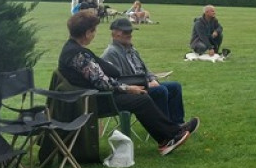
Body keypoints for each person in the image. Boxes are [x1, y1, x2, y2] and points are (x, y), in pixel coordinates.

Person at [59, 11, 193, 156]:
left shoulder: (74, 50)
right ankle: (168, 138)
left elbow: (102, 76)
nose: (95, 34)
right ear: (86, 33)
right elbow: (102, 82)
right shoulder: (78, 54)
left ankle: (173, 132)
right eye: (94, 30)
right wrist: (129, 89)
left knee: (143, 97)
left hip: (92, 96)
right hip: (92, 100)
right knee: (141, 99)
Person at [102, 18, 198, 132]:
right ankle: (168, 130)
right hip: (132, 90)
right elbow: (117, 79)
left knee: (175, 87)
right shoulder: (111, 53)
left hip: (145, 84)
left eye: (130, 32)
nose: (130, 35)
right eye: (126, 32)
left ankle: (178, 124)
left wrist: (152, 79)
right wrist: (146, 84)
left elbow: (145, 69)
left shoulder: (132, 49)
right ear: (115, 34)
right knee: (161, 91)